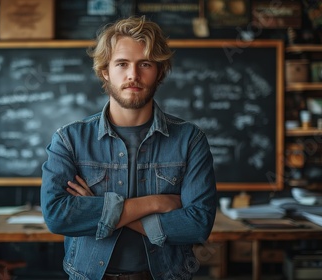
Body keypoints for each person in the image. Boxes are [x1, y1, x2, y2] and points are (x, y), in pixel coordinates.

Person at [41, 15, 217, 280]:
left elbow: (197, 225)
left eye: (144, 64)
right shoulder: (69, 140)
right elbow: (57, 217)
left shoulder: (190, 140)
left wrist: (98, 210)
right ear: (105, 71)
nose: (133, 75)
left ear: (159, 71)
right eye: (122, 64)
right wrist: (156, 203)